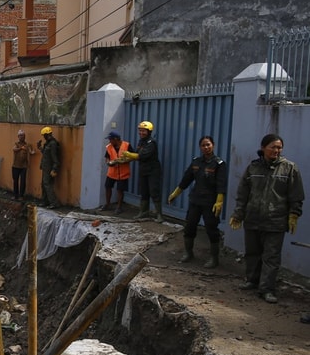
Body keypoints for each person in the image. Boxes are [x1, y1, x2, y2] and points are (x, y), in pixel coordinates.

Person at [228, 133, 304, 304]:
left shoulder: (289, 168)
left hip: (275, 221)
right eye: (273, 147)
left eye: (279, 147)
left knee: (271, 257)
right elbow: (243, 193)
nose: (276, 150)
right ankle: (252, 281)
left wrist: (294, 214)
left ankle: (267, 289)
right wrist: (238, 214)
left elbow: (296, 195)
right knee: (252, 253)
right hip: (253, 218)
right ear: (263, 148)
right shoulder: (253, 168)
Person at [167, 135, 227, 268]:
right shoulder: (196, 162)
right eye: (203, 145)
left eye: (208, 145)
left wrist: (219, 201)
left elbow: (221, 184)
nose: (206, 147)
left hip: (210, 202)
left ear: (213, 145)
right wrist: (175, 193)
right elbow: (186, 179)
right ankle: (188, 253)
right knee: (189, 226)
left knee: (211, 229)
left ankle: (214, 258)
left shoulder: (219, 164)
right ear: (200, 147)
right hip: (195, 200)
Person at [122, 121, 163, 222]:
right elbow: (136, 154)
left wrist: (129, 154)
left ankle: (159, 215)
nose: (141, 133)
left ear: (149, 131)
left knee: (154, 192)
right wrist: (124, 159)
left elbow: (142, 156)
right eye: (140, 131)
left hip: (153, 171)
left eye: (143, 131)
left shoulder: (151, 143)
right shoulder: (141, 142)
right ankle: (144, 212)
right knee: (144, 191)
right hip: (143, 170)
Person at [100, 131, 133, 214]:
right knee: (107, 187)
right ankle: (107, 204)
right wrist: (109, 162)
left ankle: (119, 207)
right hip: (112, 172)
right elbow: (107, 157)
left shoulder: (127, 145)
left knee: (120, 190)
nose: (109, 141)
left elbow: (132, 156)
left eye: (110, 139)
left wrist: (125, 161)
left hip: (123, 172)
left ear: (116, 139)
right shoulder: (109, 147)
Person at [37, 126, 61, 208]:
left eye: (44, 135)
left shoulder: (53, 144)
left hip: (49, 168)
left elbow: (55, 157)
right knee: (44, 184)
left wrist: (54, 169)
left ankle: (54, 203)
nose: (43, 137)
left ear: (47, 135)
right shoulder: (48, 143)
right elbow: (45, 154)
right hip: (45, 167)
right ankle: (45, 201)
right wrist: (40, 148)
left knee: (47, 184)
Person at [11, 129, 34, 200]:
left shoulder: (27, 145)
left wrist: (33, 151)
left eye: (23, 135)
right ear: (18, 136)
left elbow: (31, 152)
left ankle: (21, 195)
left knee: (23, 181)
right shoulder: (16, 144)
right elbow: (14, 149)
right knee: (15, 181)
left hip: (24, 166)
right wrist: (21, 148)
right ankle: (15, 195)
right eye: (20, 136)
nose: (22, 137)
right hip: (15, 166)